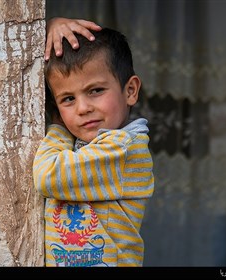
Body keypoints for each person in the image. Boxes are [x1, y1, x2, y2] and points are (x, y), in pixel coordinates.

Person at [32, 17, 155, 267]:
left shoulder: (123, 149)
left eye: (96, 91)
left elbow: (47, 176)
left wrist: (57, 124)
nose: (83, 108)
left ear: (130, 91)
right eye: (67, 99)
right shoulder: (90, 145)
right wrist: (51, 24)